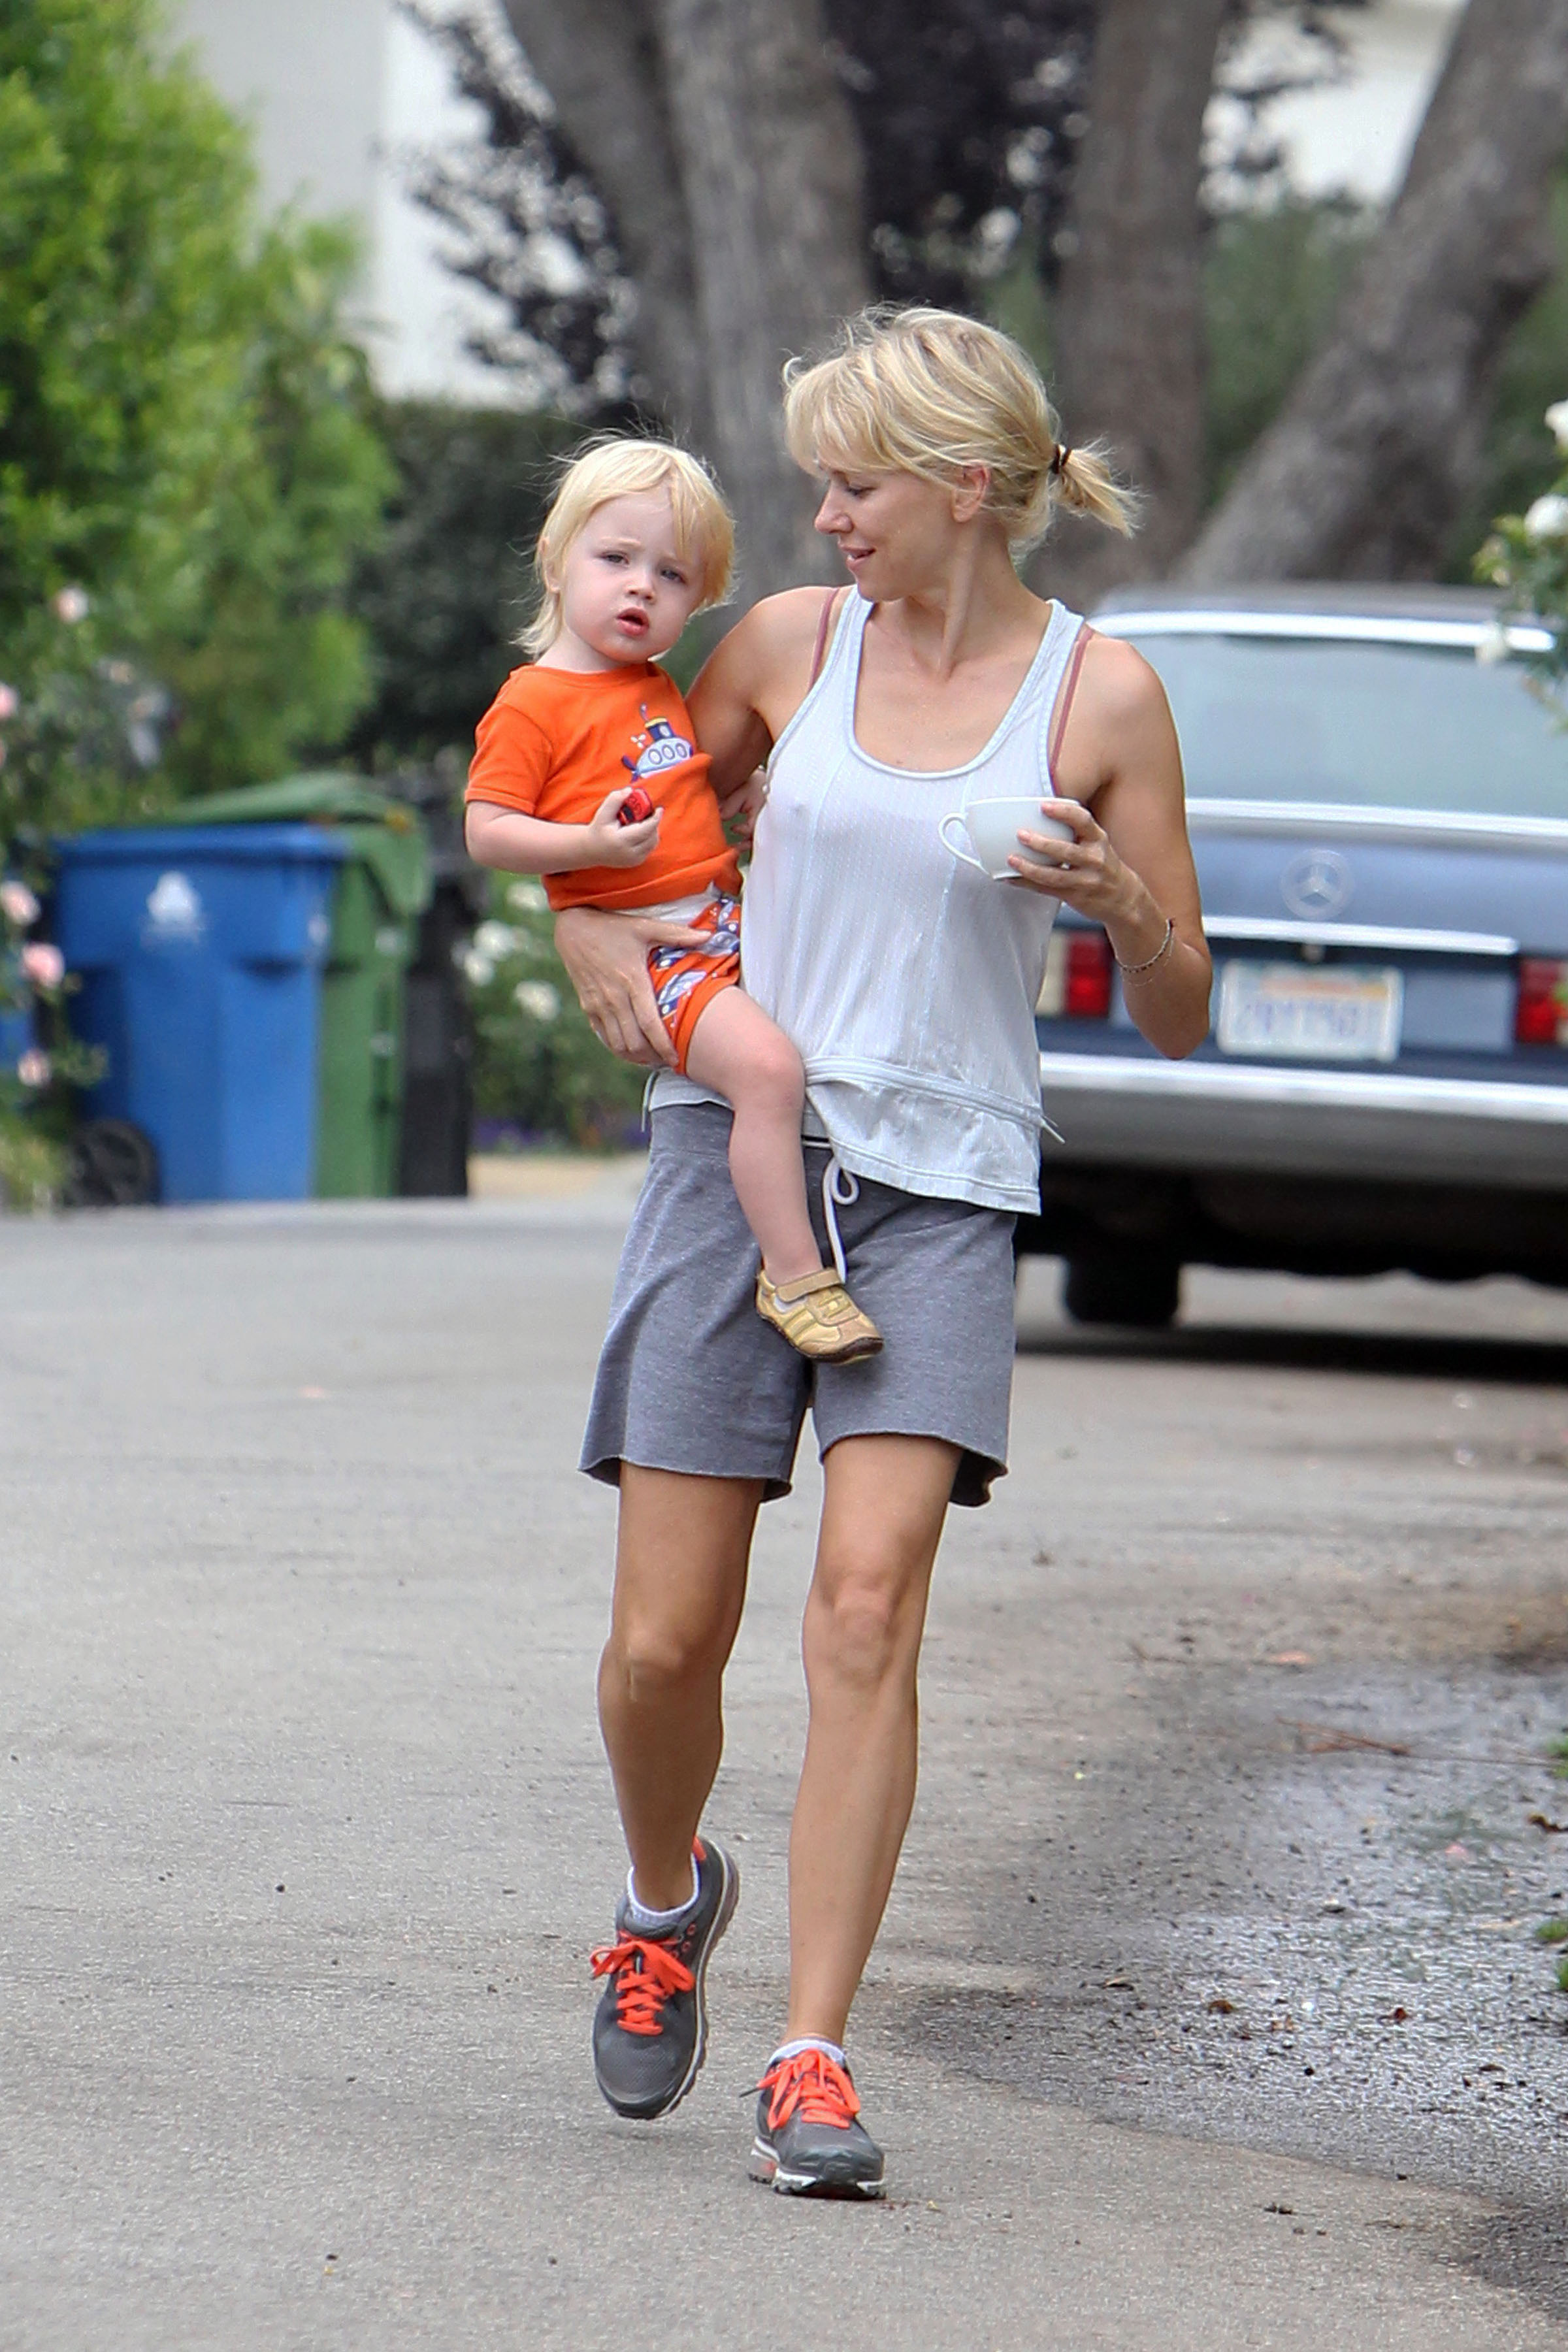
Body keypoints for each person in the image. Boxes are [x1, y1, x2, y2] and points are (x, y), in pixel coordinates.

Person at [555, 310, 1213, 2197]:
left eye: (853, 484)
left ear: (965, 486)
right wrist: (596, 935)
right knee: (662, 1641)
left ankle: (813, 2053)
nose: (826, 516)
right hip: (729, 1157)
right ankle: (663, 1903)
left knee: (866, 1608)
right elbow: (612, 819)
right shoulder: (782, 648)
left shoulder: (1102, 696)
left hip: (943, 1188)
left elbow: (1183, 1007)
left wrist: (1124, 903)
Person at [465, 436, 881, 1364]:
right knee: (768, 1076)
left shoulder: (652, 688)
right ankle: (795, 1277)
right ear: (554, 559)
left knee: (806, 1051)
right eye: (615, 558)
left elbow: (676, 787)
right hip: (660, 954)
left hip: (719, 924)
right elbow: (486, 829)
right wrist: (586, 849)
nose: (641, 588)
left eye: (672, 575)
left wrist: (743, 795)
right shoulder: (533, 702)